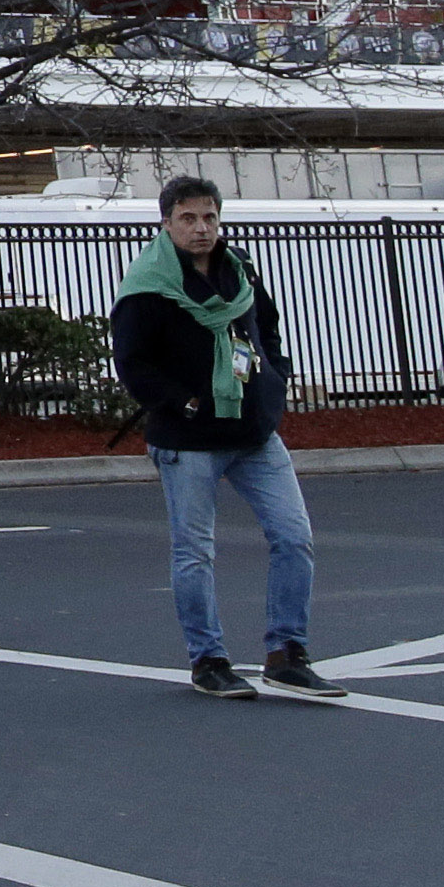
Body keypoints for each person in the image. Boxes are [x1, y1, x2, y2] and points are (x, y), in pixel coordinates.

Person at [111, 177, 344, 701]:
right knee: (195, 552)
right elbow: (132, 362)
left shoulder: (239, 270)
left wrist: (273, 382)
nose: (202, 229)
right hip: (188, 440)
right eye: (189, 218)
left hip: (254, 433)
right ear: (166, 222)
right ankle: (209, 660)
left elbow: (266, 327)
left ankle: (288, 654)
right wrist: (184, 401)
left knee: (294, 538)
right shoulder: (149, 286)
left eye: (210, 218)